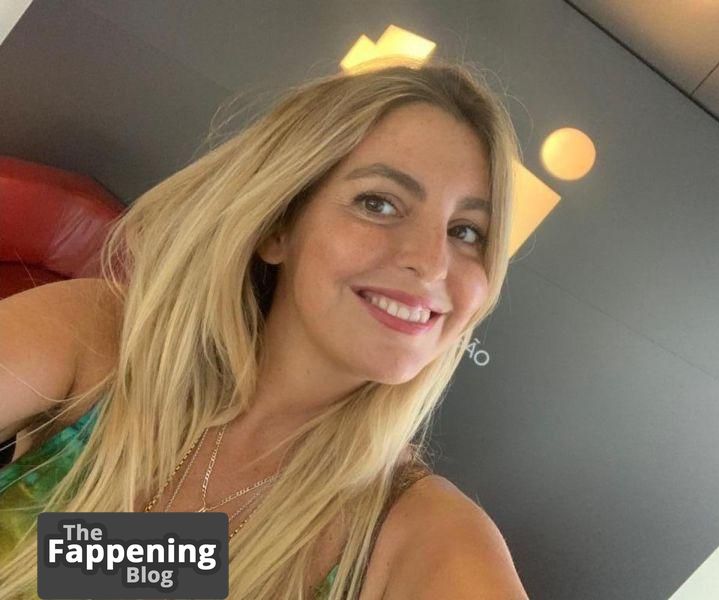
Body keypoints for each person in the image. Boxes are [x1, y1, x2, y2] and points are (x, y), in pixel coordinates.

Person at [0, 57, 528, 599]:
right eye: (379, 203)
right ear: (279, 226)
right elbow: (114, 567)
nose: (432, 262)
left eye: (467, 231)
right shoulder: (101, 340)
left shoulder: (424, 535)